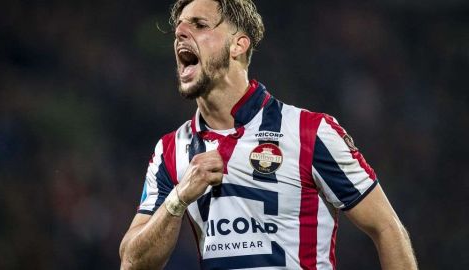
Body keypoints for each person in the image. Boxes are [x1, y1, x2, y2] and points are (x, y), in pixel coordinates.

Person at [119, 0, 418, 269]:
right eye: (179, 28)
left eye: (199, 25)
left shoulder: (309, 132)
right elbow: (133, 262)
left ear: (238, 45)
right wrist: (179, 198)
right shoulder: (171, 150)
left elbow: (386, 227)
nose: (181, 32)